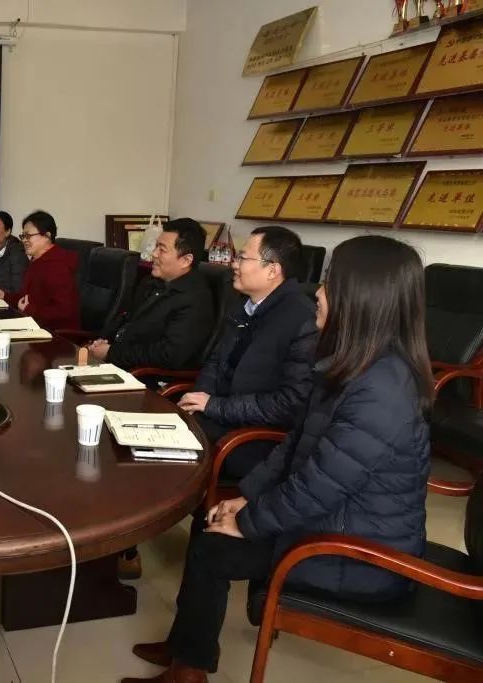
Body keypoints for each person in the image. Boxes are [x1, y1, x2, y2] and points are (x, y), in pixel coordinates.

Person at [124, 235, 433, 683]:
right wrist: (247, 496)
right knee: (215, 521)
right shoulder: (352, 363)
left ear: (362, 298)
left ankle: (187, 669)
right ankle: (185, 653)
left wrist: (249, 521)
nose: (318, 293)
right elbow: (296, 445)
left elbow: (318, 487)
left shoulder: (381, 390)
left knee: (215, 545)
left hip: (361, 553)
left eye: (329, 283)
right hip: (334, 521)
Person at [178, 226, 317, 480]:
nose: (234, 264)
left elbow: (289, 404)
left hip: (254, 438)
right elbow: (215, 361)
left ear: (272, 270)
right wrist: (198, 400)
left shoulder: (303, 320)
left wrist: (215, 406)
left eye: (242, 258)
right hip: (218, 417)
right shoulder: (244, 305)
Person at [88, 218, 214, 373]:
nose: (154, 254)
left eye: (162, 250)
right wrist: (102, 341)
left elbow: (168, 355)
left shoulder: (195, 300)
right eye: (156, 247)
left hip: (145, 376)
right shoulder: (151, 282)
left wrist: (112, 353)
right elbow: (126, 320)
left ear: (186, 260)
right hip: (118, 363)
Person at [0, 210, 80, 330]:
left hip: (56, 334)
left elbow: (64, 312)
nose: (24, 240)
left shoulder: (58, 265)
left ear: (47, 236)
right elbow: (25, 300)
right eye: (23, 236)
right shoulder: (37, 261)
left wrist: (30, 310)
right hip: (34, 325)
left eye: (28, 236)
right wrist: (4, 296)